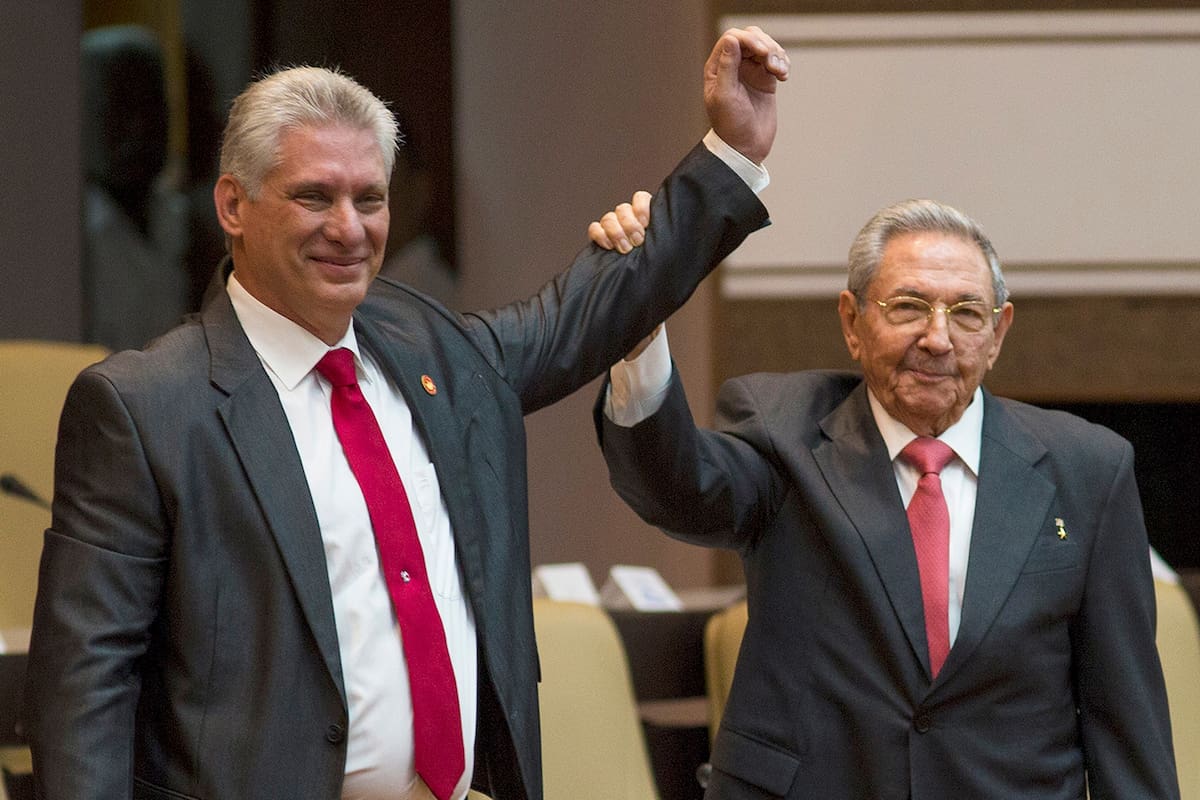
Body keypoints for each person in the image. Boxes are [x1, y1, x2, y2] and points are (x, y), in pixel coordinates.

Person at [23, 26, 788, 800]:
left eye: (370, 199)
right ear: (233, 204)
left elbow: (575, 317)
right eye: (313, 196)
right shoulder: (147, 407)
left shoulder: (426, 347)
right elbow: (84, 688)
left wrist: (730, 151)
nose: (349, 229)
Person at [591, 198, 1180, 798]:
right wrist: (639, 332)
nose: (938, 338)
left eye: (967, 314)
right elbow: (679, 489)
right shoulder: (782, 431)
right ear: (852, 322)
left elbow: (1124, 717)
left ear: (998, 333)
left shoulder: (1089, 469)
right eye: (908, 307)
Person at [81, 25, 189, 351]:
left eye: (152, 107)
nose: (139, 130)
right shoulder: (66, 237)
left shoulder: (192, 227)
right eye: (120, 109)